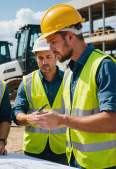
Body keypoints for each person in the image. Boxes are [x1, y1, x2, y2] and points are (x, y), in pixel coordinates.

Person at [34, 4, 116, 169]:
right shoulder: (70, 72)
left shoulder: (103, 65)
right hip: (75, 160)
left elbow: (112, 121)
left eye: (53, 42)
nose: (50, 48)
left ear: (70, 37)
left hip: (102, 165)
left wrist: (62, 120)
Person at [13, 37, 67, 165]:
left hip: (63, 148)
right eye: (40, 58)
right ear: (35, 58)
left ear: (57, 56)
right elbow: (17, 113)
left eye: (48, 57)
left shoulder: (69, 80)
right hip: (34, 149)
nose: (44, 62)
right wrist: (29, 118)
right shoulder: (27, 82)